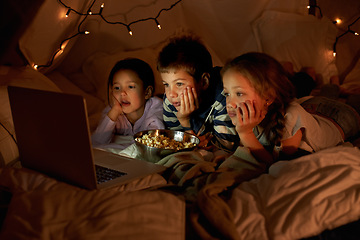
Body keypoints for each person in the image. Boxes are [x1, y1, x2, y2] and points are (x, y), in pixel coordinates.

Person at [221, 52, 360, 165]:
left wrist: (245, 133)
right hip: (309, 106)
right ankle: (333, 85)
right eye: (227, 93)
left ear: (268, 97)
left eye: (239, 93)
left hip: (339, 117)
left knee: (352, 100)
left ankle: (335, 84)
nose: (230, 103)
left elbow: (276, 165)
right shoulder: (245, 116)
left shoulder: (288, 120)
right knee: (324, 95)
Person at [157, 34, 239, 151]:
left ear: (204, 82)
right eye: (166, 84)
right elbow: (176, 143)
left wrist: (187, 124)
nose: (171, 94)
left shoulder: (225, 97)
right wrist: (185, 123)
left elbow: (226, 146)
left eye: (179, 84)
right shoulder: (171, 101)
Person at [91, 58, 164, 149]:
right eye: (117, 88)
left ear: (147, 92)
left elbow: (149, 144)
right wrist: (114, 112)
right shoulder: (113, 111)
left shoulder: (156, 110)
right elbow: (96, 142)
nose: (122, 93)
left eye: (130, 86)